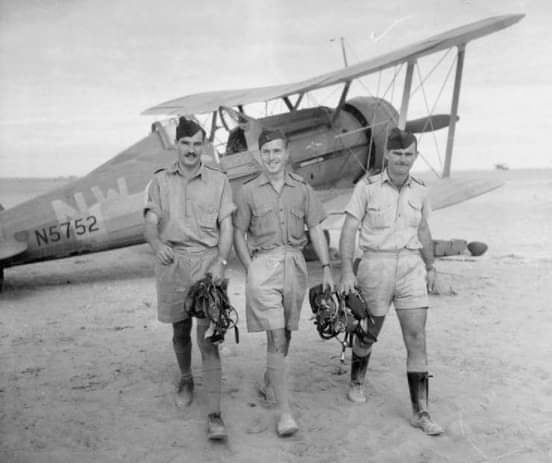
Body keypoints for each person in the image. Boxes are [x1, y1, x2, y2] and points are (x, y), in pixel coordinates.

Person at [339, 127, 443, 436]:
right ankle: (357, 380)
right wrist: (346, 270)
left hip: (411, 266)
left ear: (415, 156)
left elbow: (423, 230)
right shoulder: (367, 187)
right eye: (397, 154)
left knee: (417, 337)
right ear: (386, 154)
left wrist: (431, 266)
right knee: (368, 332)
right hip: (376, 264)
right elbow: (348, 229)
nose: (402, 160)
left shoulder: (422, 189)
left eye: (408, 154)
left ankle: (421, 411)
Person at [233, 129, 334, 437]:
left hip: (295, 265)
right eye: (266, 152)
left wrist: (328, 268)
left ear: (287, 153)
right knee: (276, 336)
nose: (272, 157)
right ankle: (285, 414)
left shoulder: (302, 189)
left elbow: (315, 229)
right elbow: (239, 233)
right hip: (264, 265)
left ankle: (270, 379)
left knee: (286, 334)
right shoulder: (248, 191)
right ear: (259, 156)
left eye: (277, 151)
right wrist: (251, 269)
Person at [144, 117, 235, 441]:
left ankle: (215, 414)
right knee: (180, 330)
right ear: (176, 145)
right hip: (173, 263)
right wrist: (157, 246)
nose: (192, 150)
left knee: (209, 338)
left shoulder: (219, 180)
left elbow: (227, 226)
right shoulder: (160, 181)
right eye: (186, 144)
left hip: (207, 262)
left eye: (198, 144)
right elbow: (151, 221)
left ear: (204, 146)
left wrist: (221, 262)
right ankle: (186, 378)